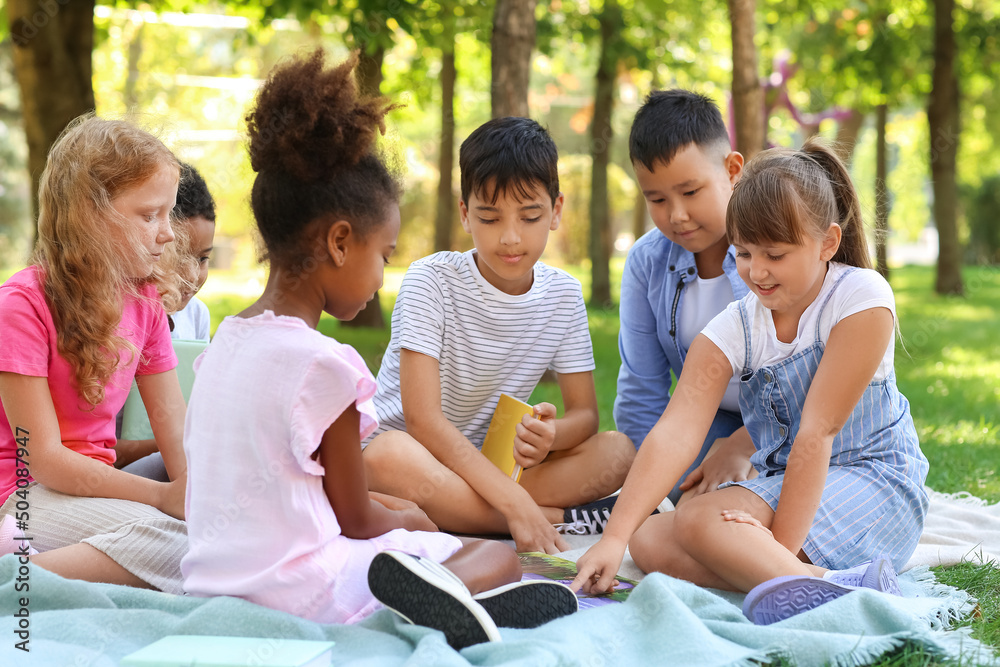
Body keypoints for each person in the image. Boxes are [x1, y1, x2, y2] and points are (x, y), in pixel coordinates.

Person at [181, 51, 576, 650]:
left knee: (411, 533)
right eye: (383, 256)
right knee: (495, 558)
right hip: (308, 590)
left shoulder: (220, 347)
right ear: (341, 242)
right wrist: (411, 519)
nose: (380, 278)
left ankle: (440, 595)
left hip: (210, 581)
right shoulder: (326, 366)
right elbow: (357, 520)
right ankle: (437, 603)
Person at [571, 139, 929, 625]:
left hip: (876, 485)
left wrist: (774, 548)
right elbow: (675, 432)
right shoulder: (735, 327)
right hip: (791, 486)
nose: (757, 272)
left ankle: (829, 595)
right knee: (648, 539)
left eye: (775, 255)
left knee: (699, 520)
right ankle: (831, 582)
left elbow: (816, 434)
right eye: (742, 253)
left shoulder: (860, 299)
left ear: (827, 243)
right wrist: (613, 538)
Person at [362, 116, 636, 554]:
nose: (511, 238)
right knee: (384, 456)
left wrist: (552, 437)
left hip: (493, 467)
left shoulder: (562, 293)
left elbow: (584, 416)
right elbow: (423, 422)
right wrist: (513, 502)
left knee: (619, 452)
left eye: (530, 216)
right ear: (466, 214)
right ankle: (546, 519)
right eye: (490, 218)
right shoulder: (429, 280)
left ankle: (473, 517)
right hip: (417, 461)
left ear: (556, 211)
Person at [0, 115, 189, 592]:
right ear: (90, 215)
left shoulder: (144, 302)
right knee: (181, 545)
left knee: (222, 535)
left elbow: (177, 432)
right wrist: (165, 499)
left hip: (97, 484)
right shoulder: (20, 306)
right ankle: (15, 576)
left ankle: (59, 566)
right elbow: (43, 460)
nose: (166, 233)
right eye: (149, 216)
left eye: (167, 214)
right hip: (21, 496)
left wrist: (195, 493)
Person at [616, 89, 756, 507]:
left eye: (691, 192)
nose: (675, 214)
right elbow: (642, 389)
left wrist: (742, 445)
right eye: (657, 199)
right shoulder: (647, 262)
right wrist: (647, 485)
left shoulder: (775, 252)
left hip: (786, 423)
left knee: (724, 508)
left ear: (732, 170)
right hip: (703, 423)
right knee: (674, 495)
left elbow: (812, 382)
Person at [168, 162, 216, 342]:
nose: (191, 276)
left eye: (202, 259)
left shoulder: (197, 315)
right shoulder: (126, 315)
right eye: (178, 258)